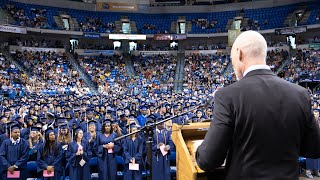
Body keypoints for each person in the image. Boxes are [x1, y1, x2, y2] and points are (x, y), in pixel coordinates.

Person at [196, 30, 320, 179]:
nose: (232, 64)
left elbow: (208, 160)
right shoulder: (300, 94)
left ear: (239, 53)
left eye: (231, 58)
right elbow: (315, 148)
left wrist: (198, 150)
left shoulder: (228, 96)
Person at [305, 109, 320, 179]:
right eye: (314, 114)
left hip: (318, 142)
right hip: (310, 143)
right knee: (310, 157)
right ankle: (308, 171)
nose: (316, 115)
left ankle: (316, 170)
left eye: (317, 114)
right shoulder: (308, 123)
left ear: (319, 115)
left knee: (318, 157)